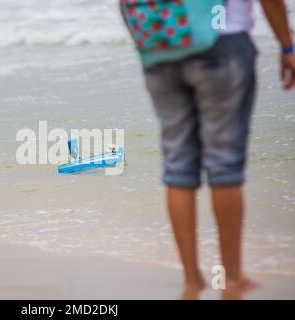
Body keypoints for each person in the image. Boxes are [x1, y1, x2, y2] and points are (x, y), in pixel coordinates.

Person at [138, 0, 295, 296]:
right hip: (222, 41)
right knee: (224, 164)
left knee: (178, 166)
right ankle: (232, 278)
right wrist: (287, 46)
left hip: (161, 43)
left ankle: (191, 279)